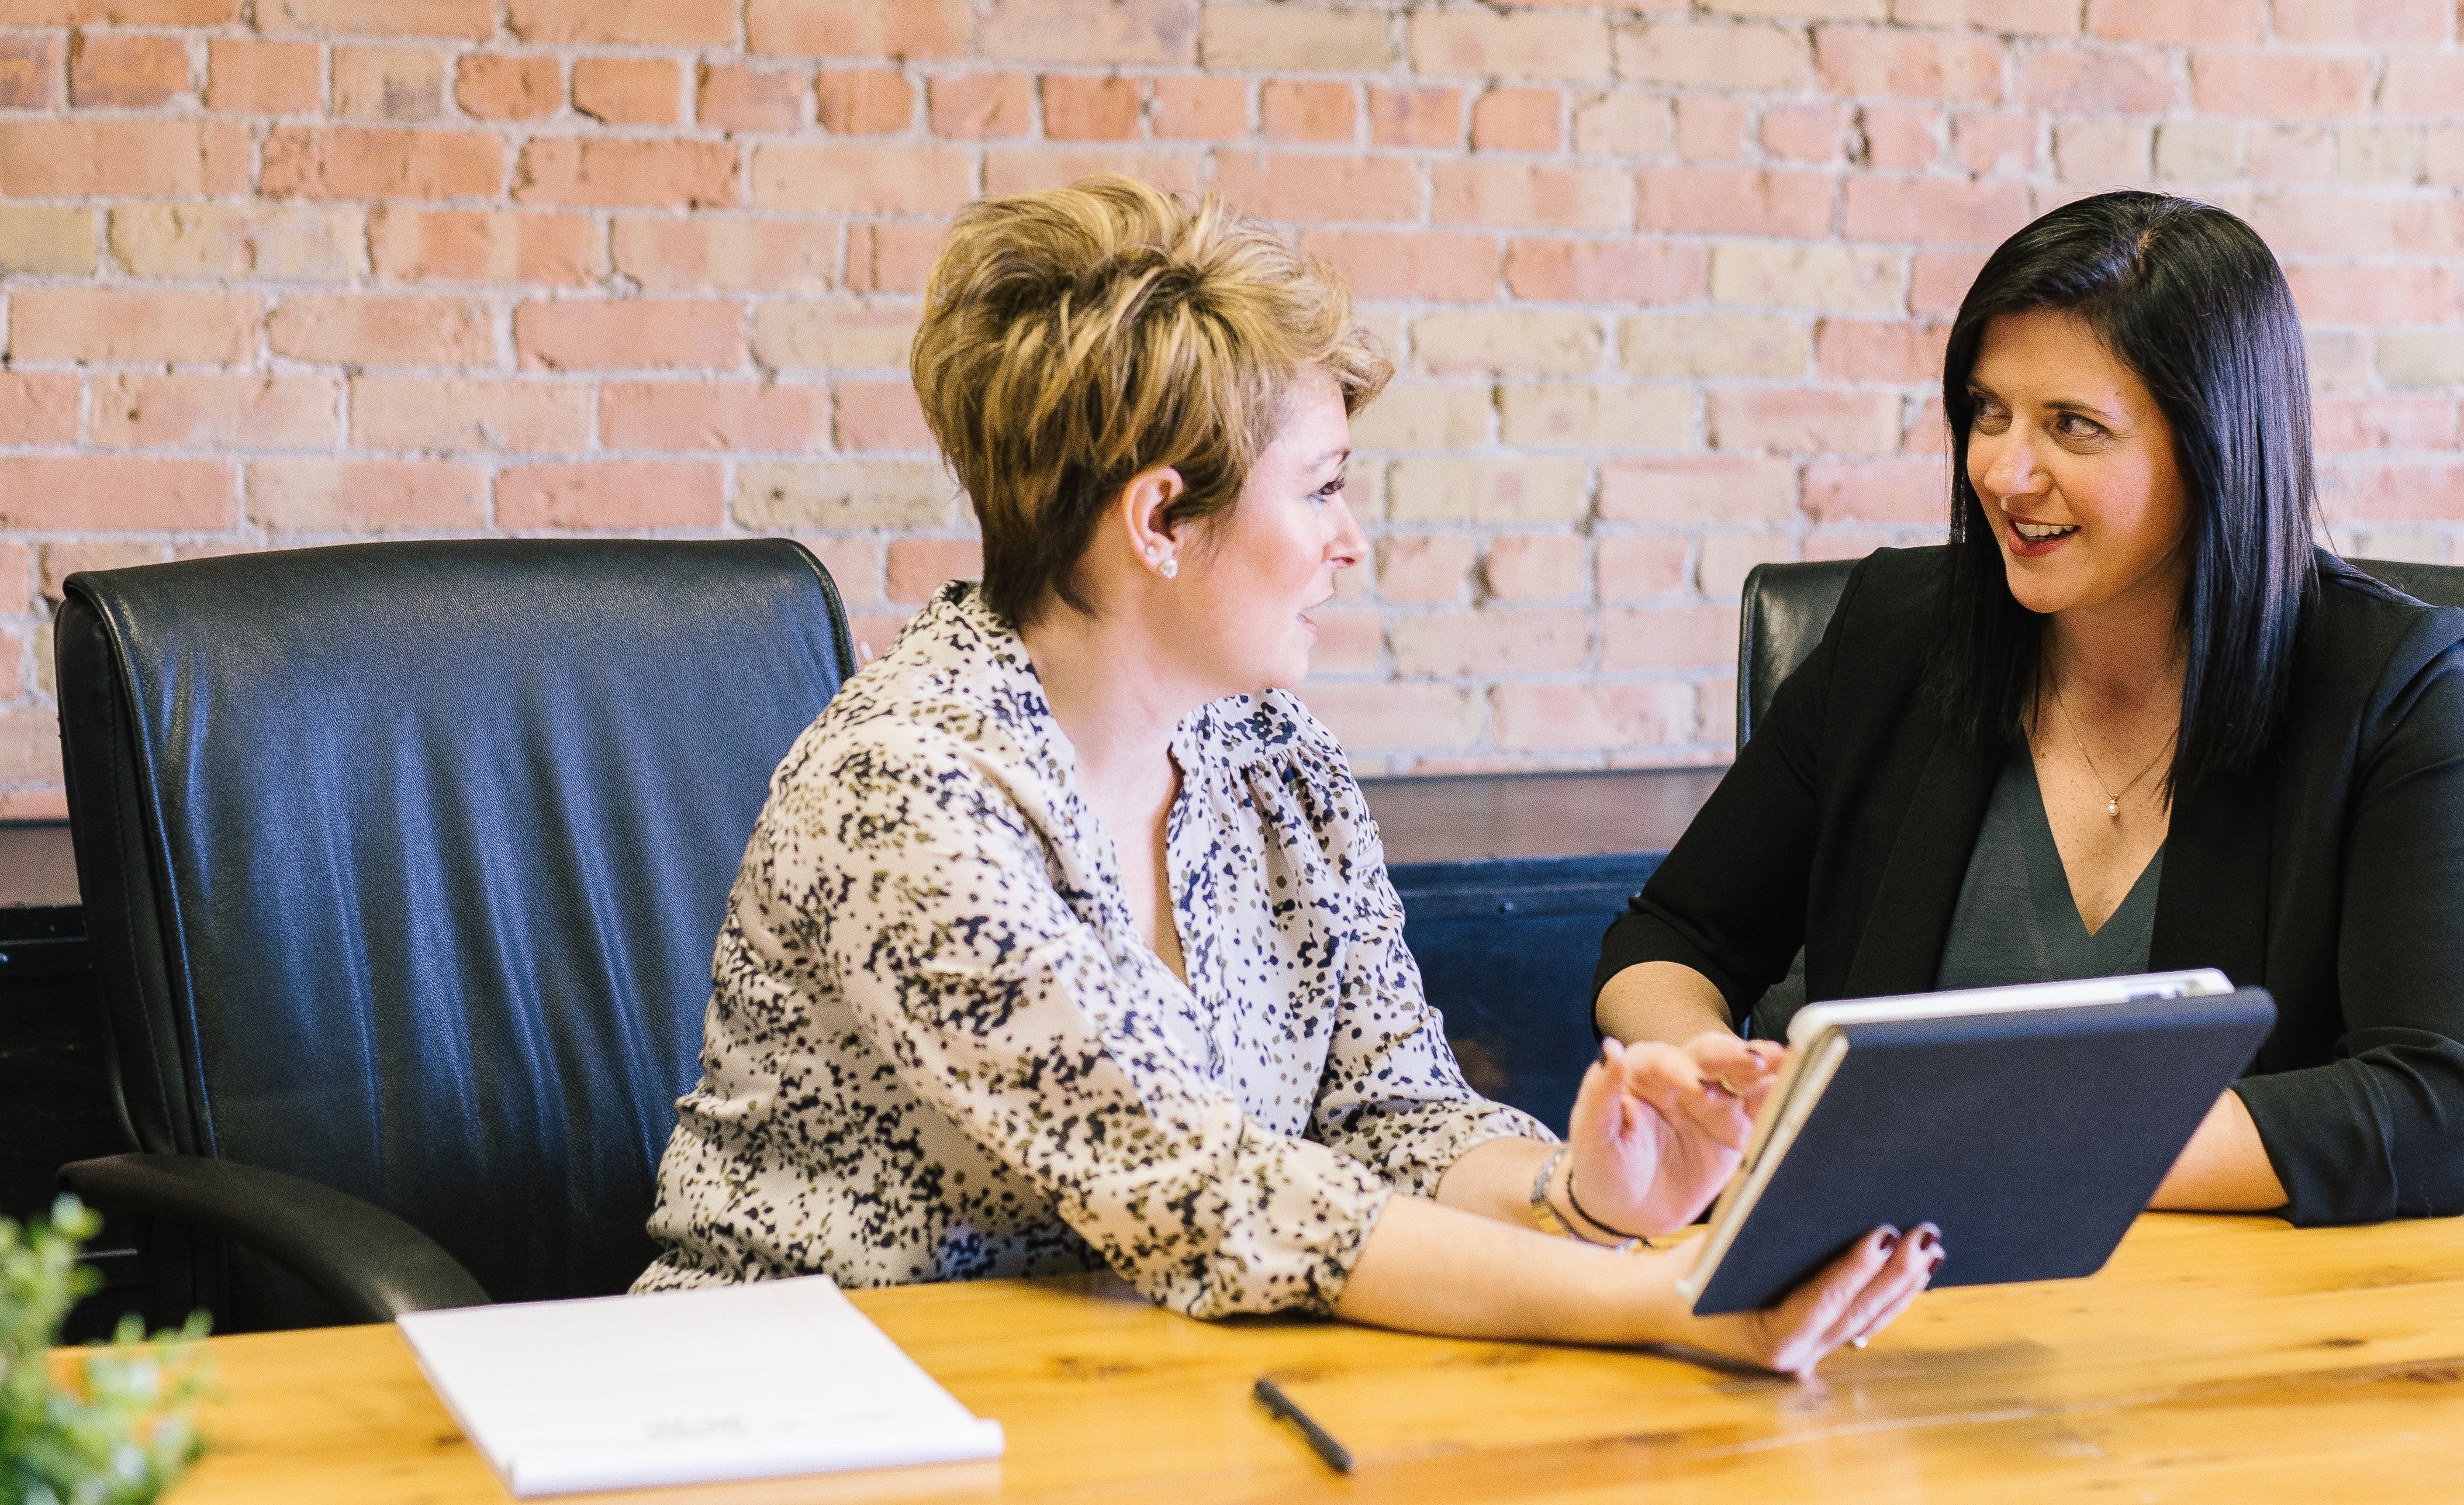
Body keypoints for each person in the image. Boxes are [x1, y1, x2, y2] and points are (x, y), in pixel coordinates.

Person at [631, 176, 1937, 1374]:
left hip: (1134, 1389)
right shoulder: (908, 791)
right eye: (1320, 489)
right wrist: (1664, 1301)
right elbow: (1208, 1191)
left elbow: (1393, 1114)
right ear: (1159, 520)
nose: (1350, 543)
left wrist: (1587, 1198)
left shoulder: (1269, 757)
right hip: (798, 1402)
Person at [1593, 191, 2464, 1227]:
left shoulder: (2398, 685)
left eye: (2072, 426)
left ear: (2214, 444)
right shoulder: (1897, 636)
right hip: (1884, 1295)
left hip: (2244, 1312)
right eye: (1988, 412)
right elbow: (1668, 937)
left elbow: (2439, 1098)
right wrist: (1701, 1074)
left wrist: (1985, 1148)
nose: (2003, 470)